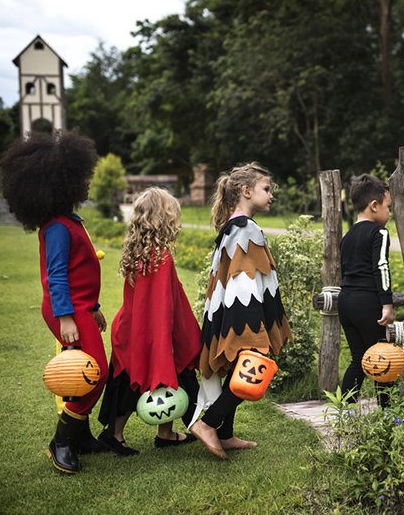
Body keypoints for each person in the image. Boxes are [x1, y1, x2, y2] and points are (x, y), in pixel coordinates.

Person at [0, 131, 110, 474]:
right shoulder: (57, 228)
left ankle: (81, 436)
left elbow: (82, 273)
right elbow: (56, 277)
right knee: (95, 373)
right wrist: (67, 318)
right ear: (62, 183)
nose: (86, 183)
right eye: (81, 178)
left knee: (82, 373)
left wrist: (93, 309)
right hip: (66, 310)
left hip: (79, 308)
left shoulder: (68, 222)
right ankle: (60, 442)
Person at [189, 163, 293, 459]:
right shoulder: (244, 229)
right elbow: (242, 283)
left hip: (232, 311)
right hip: (241, 314)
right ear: (246, 191)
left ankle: (224, 433)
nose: (271, 195)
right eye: (266, 189)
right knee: (251, 367)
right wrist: (250, 324)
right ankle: (208, 424)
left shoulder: (234, 227)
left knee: (237, 366)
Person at [97, 188, 201, 455]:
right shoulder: (160, 258)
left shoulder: (141, 253)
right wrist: (161, 344)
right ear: (163, 218)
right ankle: (114, 435)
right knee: (131, 386)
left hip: (137, 329)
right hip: (145, 333)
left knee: (167, 377)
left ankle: (165, 434)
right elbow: (157, 306)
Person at [338, 174, 395, 408]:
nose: (389, 213)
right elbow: (381, 266)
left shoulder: (347, 236)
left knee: (359, 358)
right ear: (374, 206)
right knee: (383, 358)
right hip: (367, 302)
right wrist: (387, 303)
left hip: (346, 301)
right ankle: (388, 414)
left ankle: (343, 411)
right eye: (388, 207)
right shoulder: (378, 233)